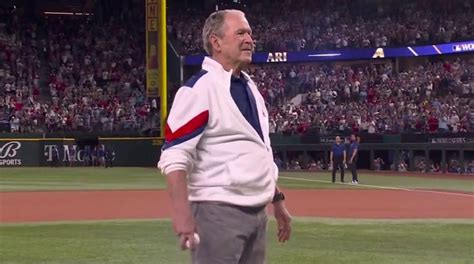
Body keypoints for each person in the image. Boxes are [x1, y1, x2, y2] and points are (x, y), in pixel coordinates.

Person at [158, 9, 292, 264]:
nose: (249, 39)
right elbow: (174, 155)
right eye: (240, 32)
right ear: (216, 42)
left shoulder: (249, 87)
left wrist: (277, 201)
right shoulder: (199, 89)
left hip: (257, 211)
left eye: (250, 33)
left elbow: (256, 151)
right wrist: (182, 214)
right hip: (217, 211)